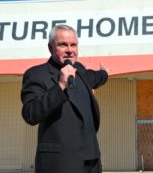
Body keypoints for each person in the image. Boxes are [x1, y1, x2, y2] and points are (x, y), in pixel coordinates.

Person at [21, 24, 109, 173]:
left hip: (92, 161)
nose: (69, 50)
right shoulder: (36, 74)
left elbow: (95, 77)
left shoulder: (79, 70)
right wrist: (60, 85)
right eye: (63, 45)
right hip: (60, 163)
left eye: (73, 45)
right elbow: (30, 114)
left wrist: (105, 74)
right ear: (50, 48)